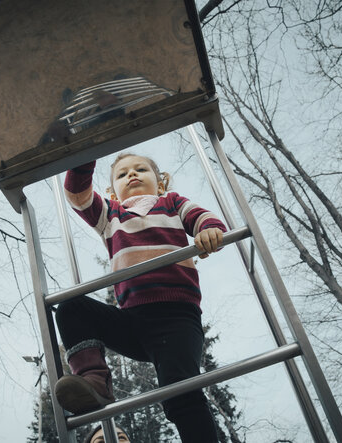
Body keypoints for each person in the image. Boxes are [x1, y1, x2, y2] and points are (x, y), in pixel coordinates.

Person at [55, 152, 225, 442]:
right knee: (71, 307)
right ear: (112, 191)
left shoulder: (171, 203)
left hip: (177, 319)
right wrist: (86, 150)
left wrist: (209, 230)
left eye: (141, 170)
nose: (132, 175)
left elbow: (202, 218)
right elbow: (76, 194)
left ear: (160, 183)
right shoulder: (110, 215)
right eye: (122, 174)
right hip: (133, 320)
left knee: (180, 391)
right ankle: (94, 380)